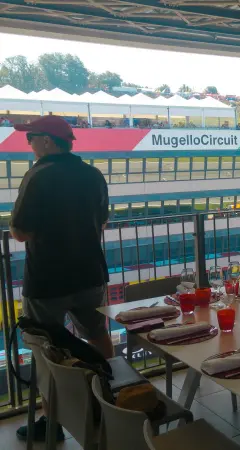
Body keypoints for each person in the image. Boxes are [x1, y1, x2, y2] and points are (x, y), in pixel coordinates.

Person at [11, 115, 111, 442]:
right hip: (90, 274)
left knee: (46, 351)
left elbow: (20, 231)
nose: (29, 144)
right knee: (97, 334)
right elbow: (102, 221)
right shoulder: (93, 175)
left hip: (47, 280)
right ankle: (110, 403)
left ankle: (52, 422)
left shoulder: (38, 175)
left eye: (31, 139)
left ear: (47, 142)